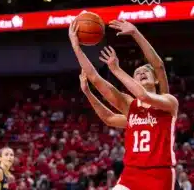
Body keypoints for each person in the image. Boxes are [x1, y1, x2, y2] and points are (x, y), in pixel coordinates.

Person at [70, 20, 179, 190]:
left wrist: (134, 33)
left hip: (159, 175)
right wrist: (76, 46)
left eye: (146, 71)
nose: (142, 72)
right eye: (137, 73)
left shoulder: (169, 102)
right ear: (133, 81)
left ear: (156, 79)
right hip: (131, 174)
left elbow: (157, 69)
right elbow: (95, 79)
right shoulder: (130, 106)